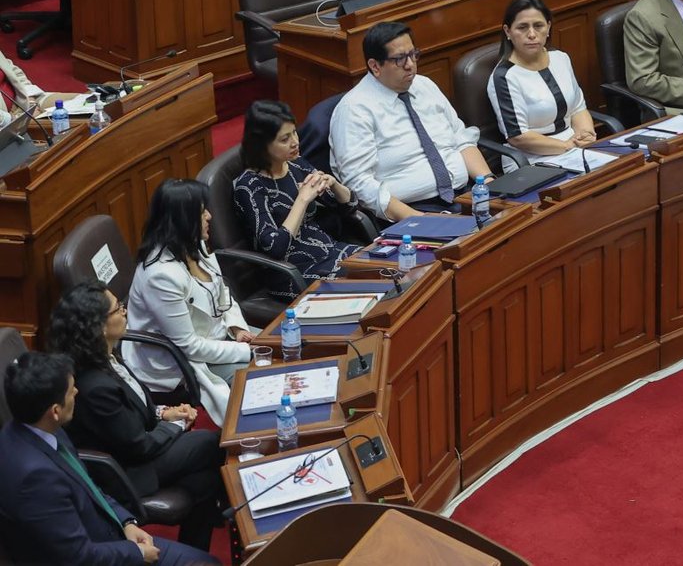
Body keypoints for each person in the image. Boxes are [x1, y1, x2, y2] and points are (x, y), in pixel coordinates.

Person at [0, 352, 221, 566]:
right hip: (100, 551)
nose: (77, 391)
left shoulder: (39, 426)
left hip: (110, 532)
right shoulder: (36, 479)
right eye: (71, 390)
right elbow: (78, 557)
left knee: (205, 483)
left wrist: (127, 522)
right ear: (55, 411)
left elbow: (89, 485)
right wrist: (136, 553)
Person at [49, 284, 225, 552]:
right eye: (118, 309)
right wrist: (176, 423)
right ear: (98, 327)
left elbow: (132, 405)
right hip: (127, 472)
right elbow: (139, 446)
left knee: (206, 480)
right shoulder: (95, 385)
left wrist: (163, 412)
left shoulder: (105, 355)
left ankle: (194, 554)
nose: (125, 310)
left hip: (137, 446)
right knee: (212, 442)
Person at [125, 179, 258, 425]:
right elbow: (189, 347)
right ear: (181, 220)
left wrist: (238, 328)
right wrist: (245, 350)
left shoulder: (194, 244)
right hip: (187, 362)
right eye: (201, 212)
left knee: (284, 343)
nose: (209, 216)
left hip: (222, 338)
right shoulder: (160, 276)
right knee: (263, 373)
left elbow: (222, 292)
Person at [330, 21, 494, 221]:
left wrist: (488, 186)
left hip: (466, 195)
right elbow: (359, 185)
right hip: (412, 211)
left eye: (413, 55)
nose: (410, 65)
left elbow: (461, 139)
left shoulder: (424, 85)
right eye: (399, 59)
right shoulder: (354, 110)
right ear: (375, 66)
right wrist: (419, 220)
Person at [233, 100, 366, 295]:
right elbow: (275, 248)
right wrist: (302, 200)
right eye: (284, 139)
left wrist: (334, 184)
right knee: (366, 285)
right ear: (262, 145)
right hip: (291, 273)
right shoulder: (249, 186)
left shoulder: (296, 165)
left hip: (329, 252)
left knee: (385, 266)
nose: (295, 142)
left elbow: (350, 206)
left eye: (294, 132)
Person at [488, 0, 598, 169]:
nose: (532, 34)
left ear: (548, 27)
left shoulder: (560, 59)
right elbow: (518, 136)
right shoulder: (504, 77)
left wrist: (585, 135)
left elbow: (578, 108)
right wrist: (566, 146)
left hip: (573, 145)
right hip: (529, 159)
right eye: (522, 27)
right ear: (508, 31)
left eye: (538, 26)